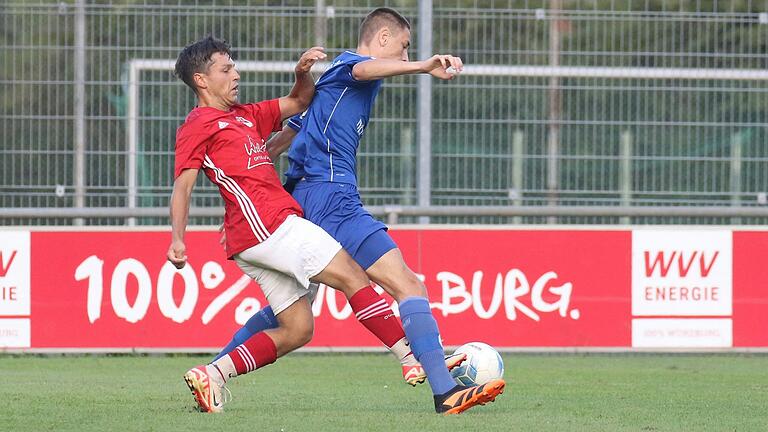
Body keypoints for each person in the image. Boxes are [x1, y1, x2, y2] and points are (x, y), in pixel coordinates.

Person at [217, 8, 506, 414]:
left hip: (304, 198)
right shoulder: (348, 67)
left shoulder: (330, 94)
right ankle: (445, 391)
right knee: (408, 285)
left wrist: (243, 197)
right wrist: (424, 66)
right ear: (383, 37)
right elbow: (364, 69)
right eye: (404, 48)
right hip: (333, 198)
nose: (404, 58)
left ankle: (211, 373)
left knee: (294, 311)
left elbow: (280, 140)